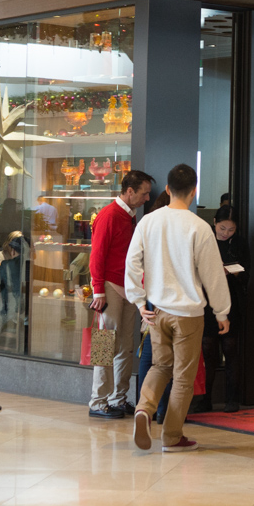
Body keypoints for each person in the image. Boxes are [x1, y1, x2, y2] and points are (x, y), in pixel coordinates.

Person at [128, 164, 231, 452]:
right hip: (188, 315)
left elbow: (132, 262)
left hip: (157, 309)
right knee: (183, 377)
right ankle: (172, 437)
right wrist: (222, 312)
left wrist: (138, 300)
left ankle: (144, 409)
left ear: (167, 189)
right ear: (194, 191)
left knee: (161, 366)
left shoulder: (148, 221)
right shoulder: (199, 226)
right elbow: (212, 274)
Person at [88, 170, 154, 419]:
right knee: (105, 343)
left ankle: (118, 398)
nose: (147, 198)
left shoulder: (129, 217)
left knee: (125, 345)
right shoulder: (109, 215)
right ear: (129, 191)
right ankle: (97, 401)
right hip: (109, 287)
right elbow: (97, 255)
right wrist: (98, 290)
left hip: (127, 288)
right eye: (144, 193)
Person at [212, 206, 248, 412]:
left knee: (230, 348)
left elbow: (247, 273)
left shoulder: (240, 244)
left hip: (232, 299)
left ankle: (232, 398)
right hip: (209, 301)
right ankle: (205, 397)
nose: (225, 233)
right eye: (222, 228)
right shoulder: (207, 240)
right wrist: (99, 292)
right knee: (208, 348)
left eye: (231, 230)